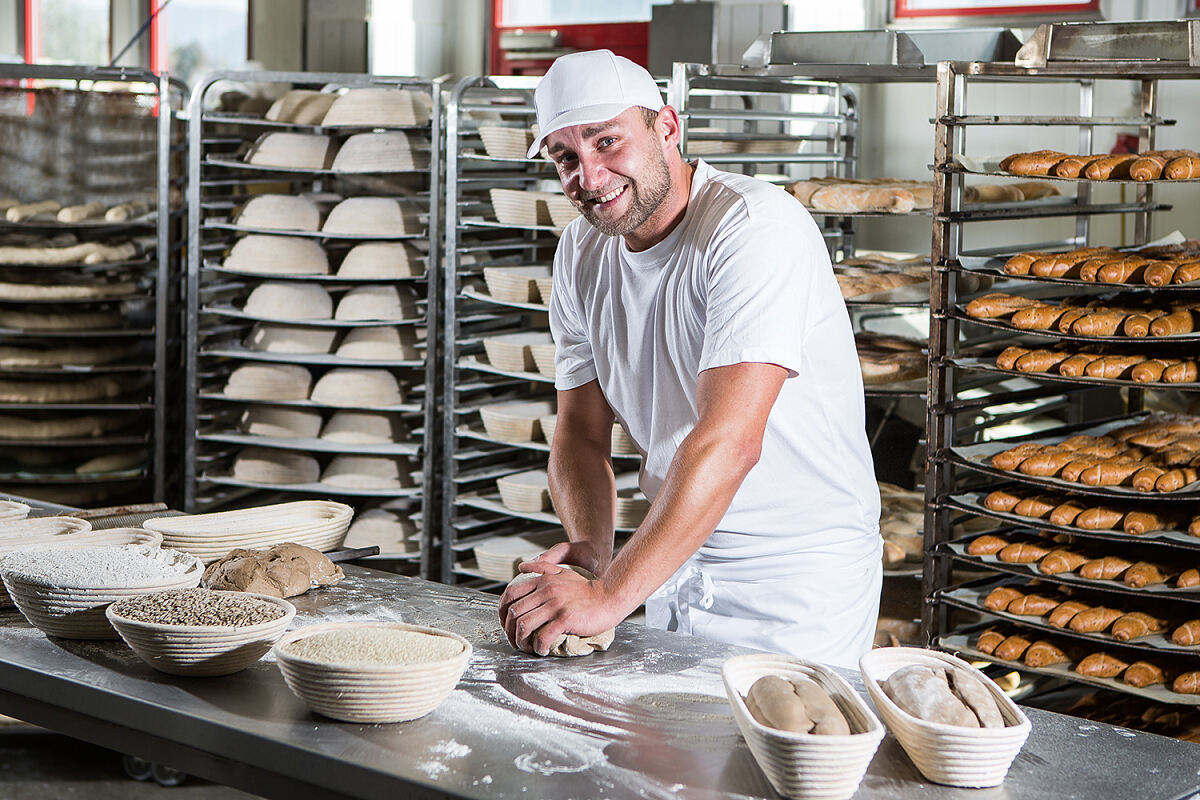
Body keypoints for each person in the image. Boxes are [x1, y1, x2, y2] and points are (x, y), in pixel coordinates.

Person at [497, 49, 881, 669]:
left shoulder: (752, 228)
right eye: (567, 157)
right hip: (668, 558)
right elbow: (580, 434)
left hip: (793, 583)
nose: (589, 178)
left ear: (667, 127)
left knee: (775, 763)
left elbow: (729, 442)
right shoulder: (581, 252)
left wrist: (609, 596)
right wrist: (593, 551)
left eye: (607, 142)